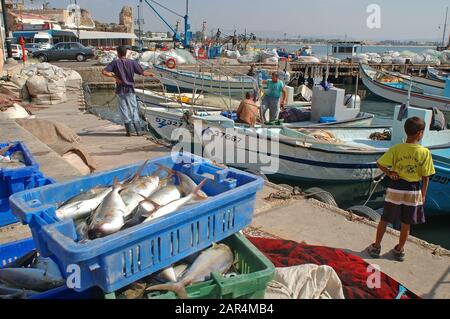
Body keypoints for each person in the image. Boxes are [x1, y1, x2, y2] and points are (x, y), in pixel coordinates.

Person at [368, 117, 436, 262]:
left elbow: (380, 163)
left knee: (385, 219)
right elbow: (426, 177)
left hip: (396, 187)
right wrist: (423, 195)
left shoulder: (397, 148)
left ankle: (376, 246)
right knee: (406, 223)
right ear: (420, 133)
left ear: (406, 131)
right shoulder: (425, 152)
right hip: (413, 190)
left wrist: (390, 173)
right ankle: (399, 250)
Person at [102, 46, 154, 137]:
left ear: (118, 54)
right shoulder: (132, 62)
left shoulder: (114, 63)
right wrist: (151, 74)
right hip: (130, 90)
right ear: (126, 53)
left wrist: (114, 77)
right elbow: (142, 72)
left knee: (124, 110)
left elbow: (104, 72)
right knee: (133, 109)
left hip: (120, 90)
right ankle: (138, 131)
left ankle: (128, 132)